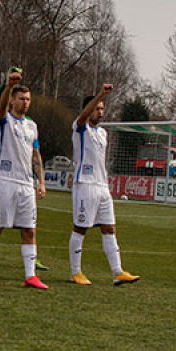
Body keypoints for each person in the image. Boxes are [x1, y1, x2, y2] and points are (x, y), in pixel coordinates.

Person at [0, 68, 48, 289]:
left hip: (26, 184)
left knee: (29, 230)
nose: (25, 102)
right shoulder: (4, 120)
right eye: (21, 99)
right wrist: (8, 86)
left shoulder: (32, 126)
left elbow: (35, 155)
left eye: (28, 99)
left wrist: (41, 181)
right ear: (12, 101)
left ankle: (30, 275)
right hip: (6, 182)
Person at [69, 84, 140, 286]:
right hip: (85, 184)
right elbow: (82, 118)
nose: (100, 112)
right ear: (88, 109)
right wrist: (100, 93)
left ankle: (117, 272)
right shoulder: (80, 128)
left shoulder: (103, 133)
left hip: (102, 186)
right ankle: (76, 272)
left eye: (102, 109)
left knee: (109, 228)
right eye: (97, 108)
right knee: (80, 228)